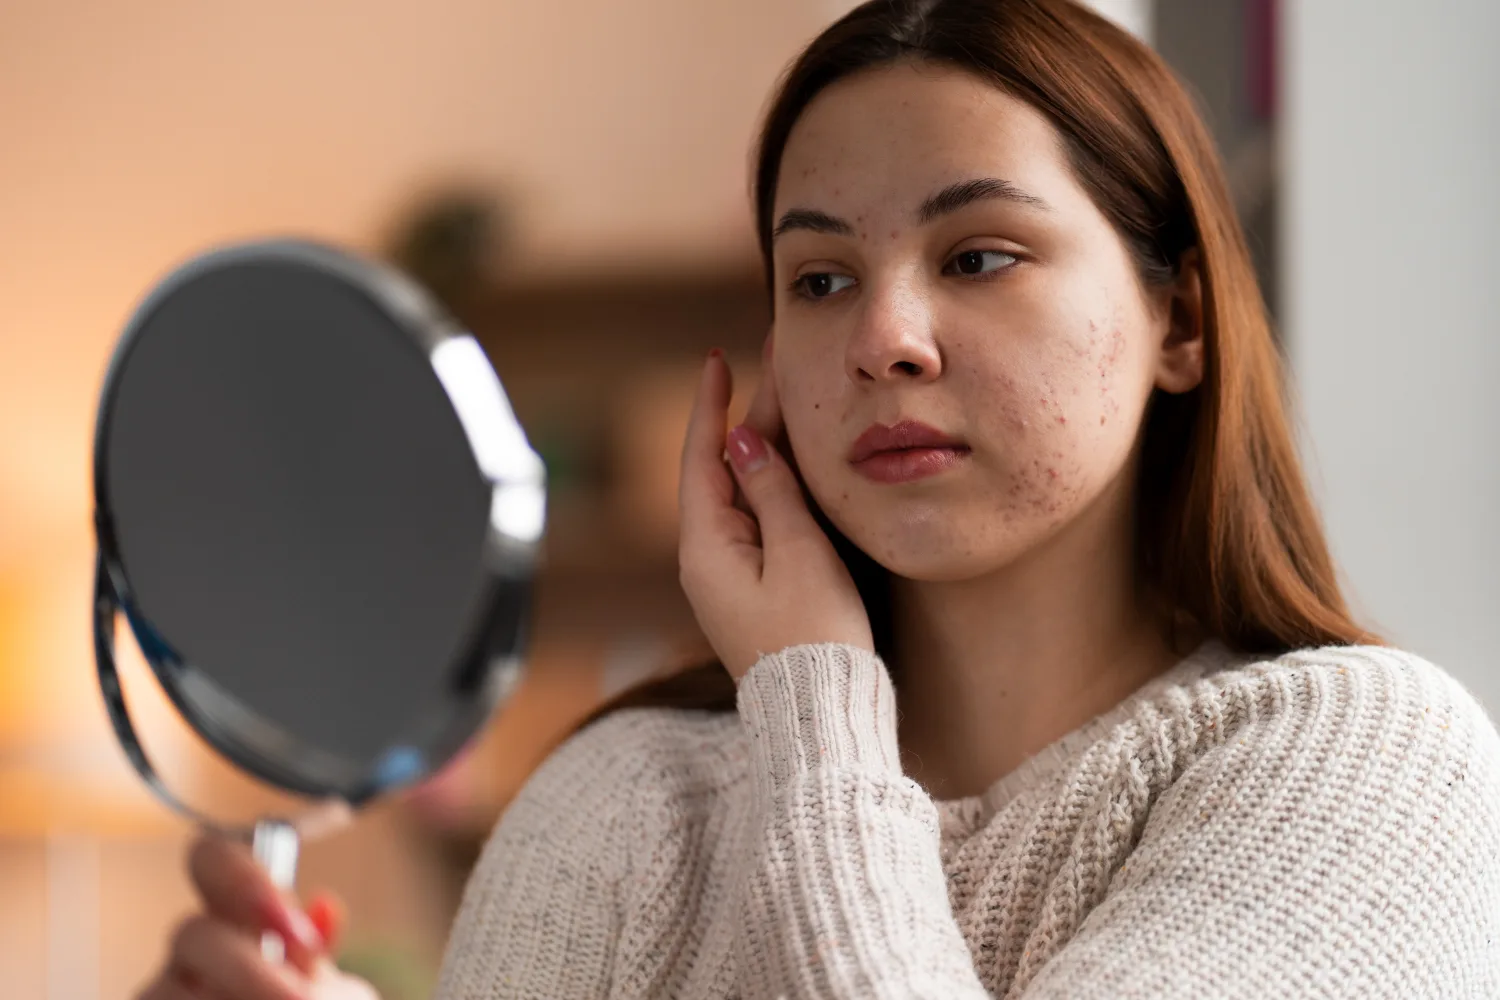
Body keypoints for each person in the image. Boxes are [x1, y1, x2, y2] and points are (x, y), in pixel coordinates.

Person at [138, 0, 1500, 997]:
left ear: (1182, 320)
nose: (883, 340)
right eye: (823, 279)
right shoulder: (619, 802)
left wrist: (813, 700)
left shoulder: (1370, 768)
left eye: (979, 255)